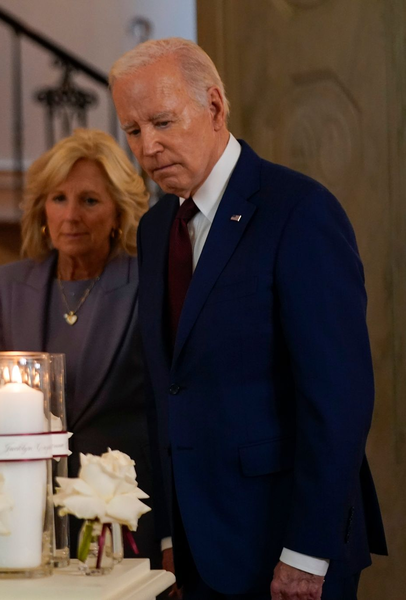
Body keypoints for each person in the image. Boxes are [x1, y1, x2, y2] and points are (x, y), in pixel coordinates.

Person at [109, 38, 387, 599]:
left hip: (287, 547)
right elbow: (166, 394)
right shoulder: (157, 227)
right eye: (133, 130)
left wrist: (307, 553)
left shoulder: (300, 211)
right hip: (196, 549)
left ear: (214, 107)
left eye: (163, 121)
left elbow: (338, 399)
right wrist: (169, 532)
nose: (149, 146)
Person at [0, 128, 158, 564]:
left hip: (124, 510)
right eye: (59, 198)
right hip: (30, 509)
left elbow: (168, 416)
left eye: (89, 200)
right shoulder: (8, 285)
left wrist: (172, 536)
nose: (71, 215)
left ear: (119, 212)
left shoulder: (149, 283)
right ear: (43, 209)